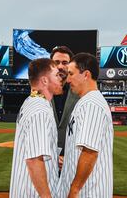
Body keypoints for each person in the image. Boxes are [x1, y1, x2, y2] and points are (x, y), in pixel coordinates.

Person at [57, 53, 114, 198]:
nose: (68, 79)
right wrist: (69, 160)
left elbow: (90, 152)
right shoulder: (84, 101)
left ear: (86, 75)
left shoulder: (92, 104)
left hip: (87, 191)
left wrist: (74, 190)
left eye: (71, 74)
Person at [9, 58, 63, 198]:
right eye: (56, 75)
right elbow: (33, 160)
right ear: (45, 81)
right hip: (33, 193)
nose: (60, 78)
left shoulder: (31, 102)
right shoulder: (40, 110)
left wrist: (54, 158)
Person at [50, 46, 80, 169]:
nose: (60, 66)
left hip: (72, 162)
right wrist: (52, 156)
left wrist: (70, 157)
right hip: (47, 160)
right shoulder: (40, 91)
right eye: (56, 62)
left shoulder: (79, 92)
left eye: (65, 63)